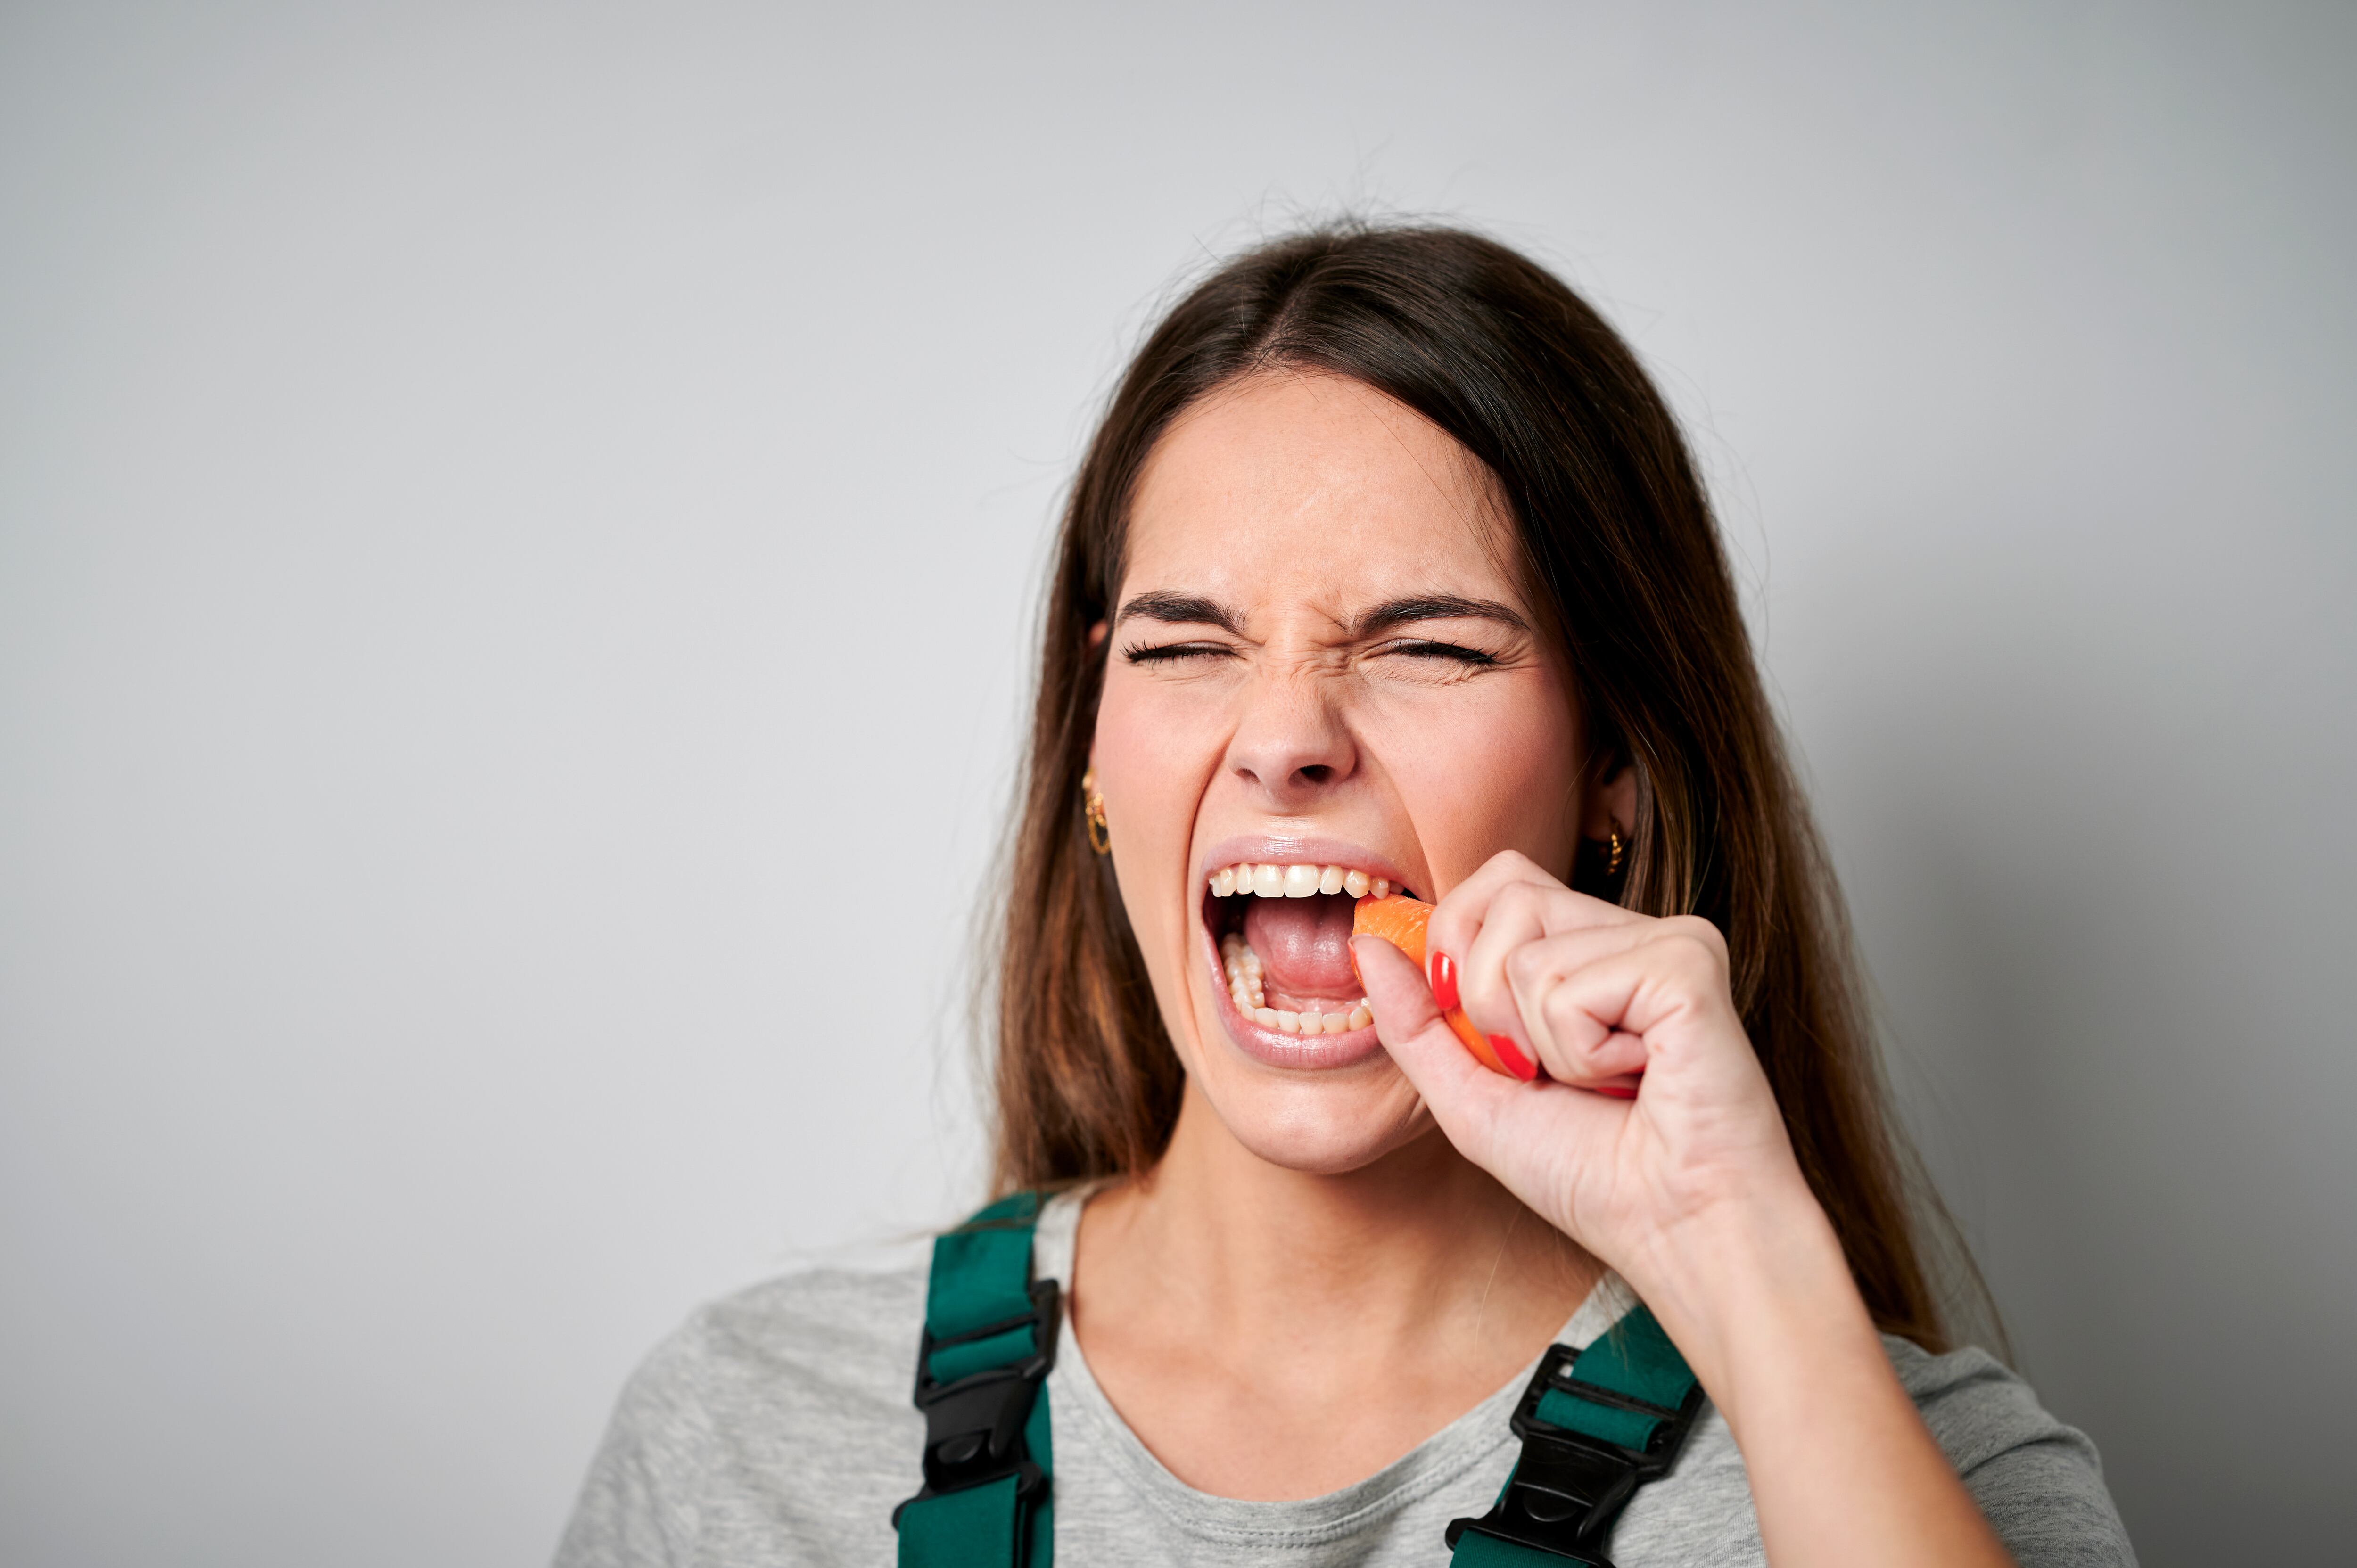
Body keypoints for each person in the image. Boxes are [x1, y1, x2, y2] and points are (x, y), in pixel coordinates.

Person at [554, 225, 2135, 1567]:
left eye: (1427, 647)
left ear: (1618, 776)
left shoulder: (1944, 1484)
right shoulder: (741, 1441)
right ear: (1095, 762)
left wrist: (1739, 1257)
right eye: (1187, 647)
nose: (1291, 737)